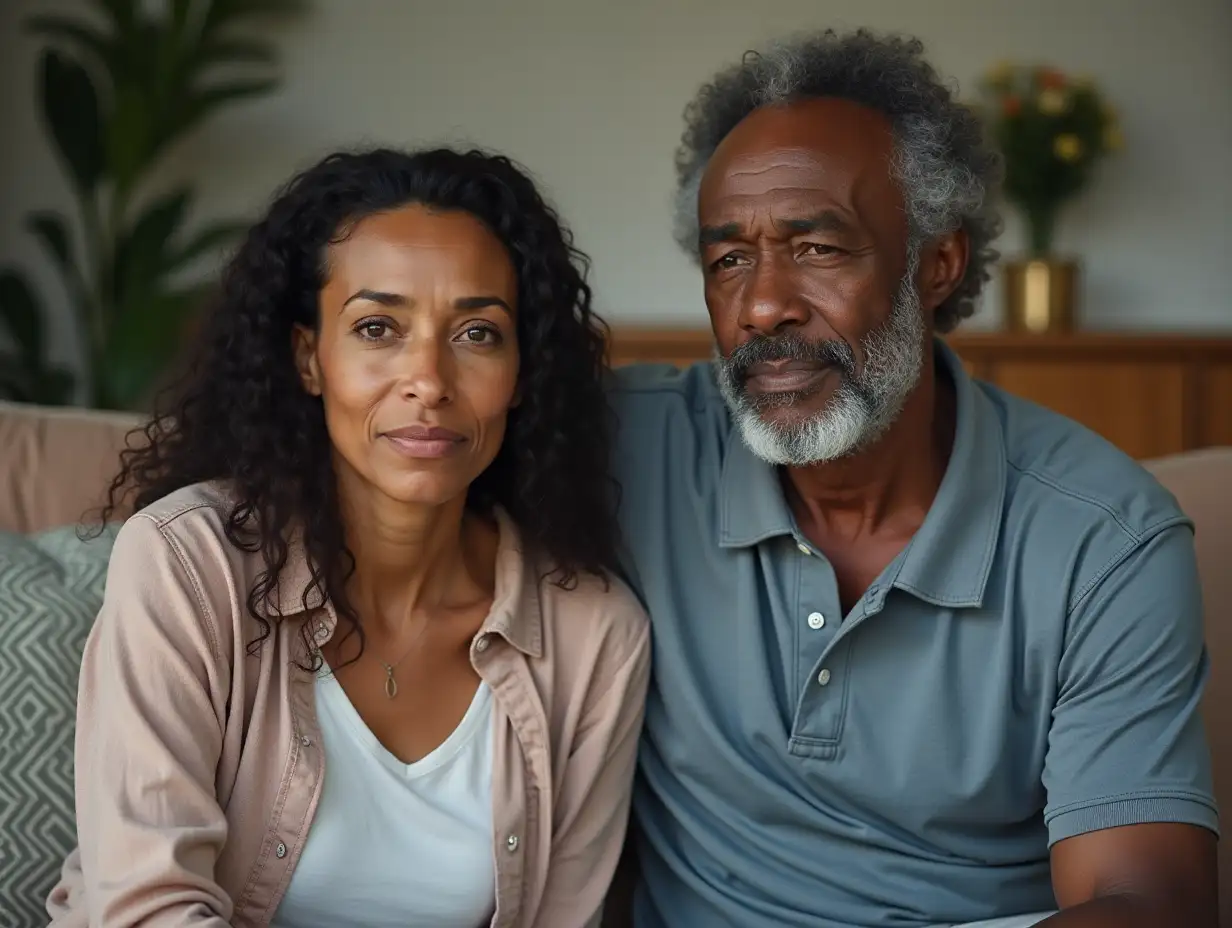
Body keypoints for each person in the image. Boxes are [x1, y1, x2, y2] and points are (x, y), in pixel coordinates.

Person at [608, 29, 1219, 928]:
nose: (763, 303)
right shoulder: (631, 447)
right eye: (729, 258)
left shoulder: (1103, 538)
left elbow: (1147, 901)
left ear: (939, 263)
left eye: (817, 247)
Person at [47, 147, 650, 928]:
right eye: (377, 327)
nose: (428, 380)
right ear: (309, 358)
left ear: (522, 373)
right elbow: (146, 909)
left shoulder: (594, 635)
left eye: (476, 332)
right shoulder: (186, 563)